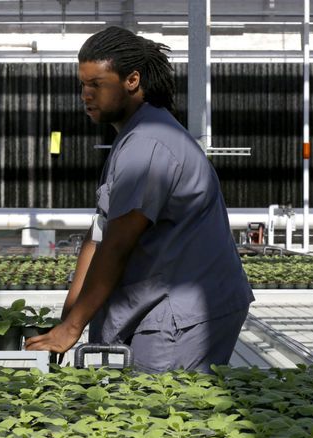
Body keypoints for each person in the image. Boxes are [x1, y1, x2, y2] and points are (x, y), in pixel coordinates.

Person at [26, 26, 254, 373]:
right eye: (82, 84)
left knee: (163, 411)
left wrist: (71, 330)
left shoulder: (149, 143)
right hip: (160, 301)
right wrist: (68, 319)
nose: (85, 95)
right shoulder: (134, 139)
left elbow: (118, 243)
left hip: (182, 313)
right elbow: (98, 236)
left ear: (132, 80)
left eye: (96, 85)